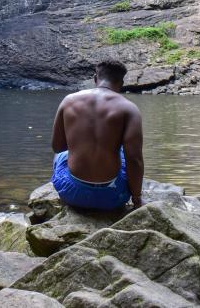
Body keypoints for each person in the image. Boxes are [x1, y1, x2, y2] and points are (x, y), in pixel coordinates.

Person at [50, 59, 144, 210]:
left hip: (72, 193)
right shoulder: (129, 108)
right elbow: (134, 159)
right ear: (121, 83)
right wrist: (137, 198)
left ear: (95, 78)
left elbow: (58, 146)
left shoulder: (69, 100)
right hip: (112, 196)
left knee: (61, 155)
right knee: (122, 153)